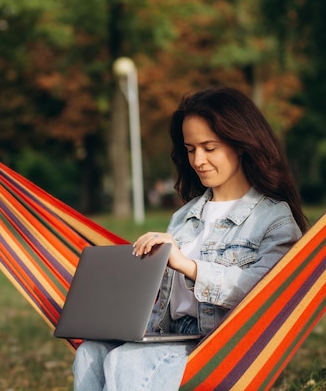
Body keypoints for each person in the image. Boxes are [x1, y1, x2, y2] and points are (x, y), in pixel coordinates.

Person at [73, 86, 307, 391]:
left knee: (127, 362)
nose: (198, 160)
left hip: (220, 346)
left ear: (240, 144)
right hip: (170, 336)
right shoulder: (183, 218)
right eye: (190, 149)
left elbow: (270, 295)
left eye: (209, 148)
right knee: (91, 352)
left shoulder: (273, 219)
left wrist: (188, 265)